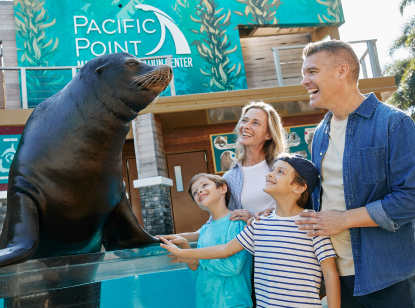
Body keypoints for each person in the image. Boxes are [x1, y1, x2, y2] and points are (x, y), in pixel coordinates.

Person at [296, 39, 415, 307]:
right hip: (337, 278)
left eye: (312, 72)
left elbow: (410, 198)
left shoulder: (394, 123)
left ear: (342, 70)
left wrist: (343, 220)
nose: (304, 81)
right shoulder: (319, 135)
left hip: (387, 277)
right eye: (304, 73)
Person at [161, 154, 340, 308]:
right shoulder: (259, 224)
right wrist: (185, 252)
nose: (270, 174)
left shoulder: (313, 223)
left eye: (280, 171)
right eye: (273, 170)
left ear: (299, 187)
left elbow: (330, 273)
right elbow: (224, 250)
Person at [172, 101, 288, 243]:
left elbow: (301, 207)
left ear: (269, 134)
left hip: (287, 241)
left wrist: (255, 219)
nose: (246, 126)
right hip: (257, 251)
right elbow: (217, 223)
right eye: (244, 120)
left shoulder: (284, 166)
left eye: (255, 123)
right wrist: (175, 237)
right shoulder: (231, 177)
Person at [170, 173, 253, 308]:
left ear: (222, 188)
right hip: (204, 303)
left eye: (204, 185)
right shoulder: (204, 230)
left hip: (234, 303)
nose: (200, 191)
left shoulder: (237, 223)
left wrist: (196, 258)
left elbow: (233, 267)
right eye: (195, 192)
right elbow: (197, 274)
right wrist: (185, 246)